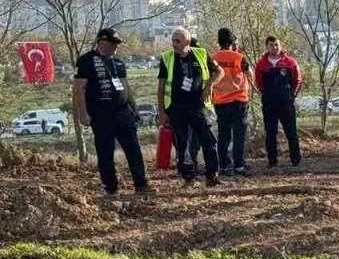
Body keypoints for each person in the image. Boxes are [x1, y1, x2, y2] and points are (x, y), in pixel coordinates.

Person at [73, 28, 152, 196]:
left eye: (117, 46)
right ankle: (111, 187)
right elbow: (79, 88)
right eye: (112, 45)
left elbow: (125, 86)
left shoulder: (118, 63)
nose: (115, 49)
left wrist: (134, 108)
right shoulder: (86, 61)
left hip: (123, 112)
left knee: (133, 148)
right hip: (101, 114)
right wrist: (83, 113)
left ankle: (141, 184)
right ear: (101, 43)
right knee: (105, 151)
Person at [158, 28, 224, 188]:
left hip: (198, 106)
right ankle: (188, 176)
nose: (174, 44)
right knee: (182, 144)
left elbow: (220, 71)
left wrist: (209, 85)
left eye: (177, 41)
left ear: (187, 42)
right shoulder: (166, 58)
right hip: (176, 107)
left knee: (208, 140)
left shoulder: (201, 54)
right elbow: (160, 88)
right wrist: (161, 111)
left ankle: (212, 175)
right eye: (173, 40)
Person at [254, 35, 303, 168]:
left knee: (291, 131)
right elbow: (258, 82)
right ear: (266, 47)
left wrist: (291, 95)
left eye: (276, 45)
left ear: (280, 46)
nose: (274, 48)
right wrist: (267, 93)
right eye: (271, 45)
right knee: (270, 132)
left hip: (286, 102)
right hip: (269, 103)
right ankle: (272, 160)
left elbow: (298, 80)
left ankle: (295, 159)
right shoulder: (261, 64)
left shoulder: (290, 62)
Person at [211, 28, 253, 176]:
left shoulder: (213, 57)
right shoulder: (238, 57)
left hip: (220, 101)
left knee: (223, 135)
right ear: (232, 41)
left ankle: (223, 165)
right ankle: (239, 165)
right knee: (239, 134)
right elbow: (250, 74)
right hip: (238, 100)